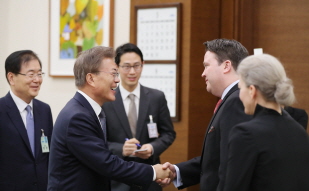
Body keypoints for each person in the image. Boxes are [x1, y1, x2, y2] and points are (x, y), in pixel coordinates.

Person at [48, 46, 171, 191]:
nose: (117, 80)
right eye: (113, 74)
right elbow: (108, 164)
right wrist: (153, 172)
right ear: (91, 79)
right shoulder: (78, 117)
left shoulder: (86, 110)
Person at [159, 39, 252, 190]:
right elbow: (216, 159)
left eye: (207, 66)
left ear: (226, 66)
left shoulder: (236, 101)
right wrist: (177, 171)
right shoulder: (231, 99)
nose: (203, 73)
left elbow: (232, 164)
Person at [223, 54, 309, 190]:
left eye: (241, 87)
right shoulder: (299, 132)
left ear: (252, 90)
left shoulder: (246, 134)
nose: (239, 95)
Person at [102, 43, 176, 191]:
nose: (132, 72)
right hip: (117, 179)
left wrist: (153, 147)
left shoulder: (156, 97)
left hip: (149, 178)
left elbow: (169, 133)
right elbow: (98, 140)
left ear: (143, 65)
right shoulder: (106, 99)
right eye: (126, 66)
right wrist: (121, 149)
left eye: (137, 66)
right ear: (117, 67)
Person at [0, 50, 53, 191]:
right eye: (31, 75)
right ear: (11, 78)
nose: (37, 80)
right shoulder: (1, 109)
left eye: (39, 74)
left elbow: (48, 154)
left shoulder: (44, 110)